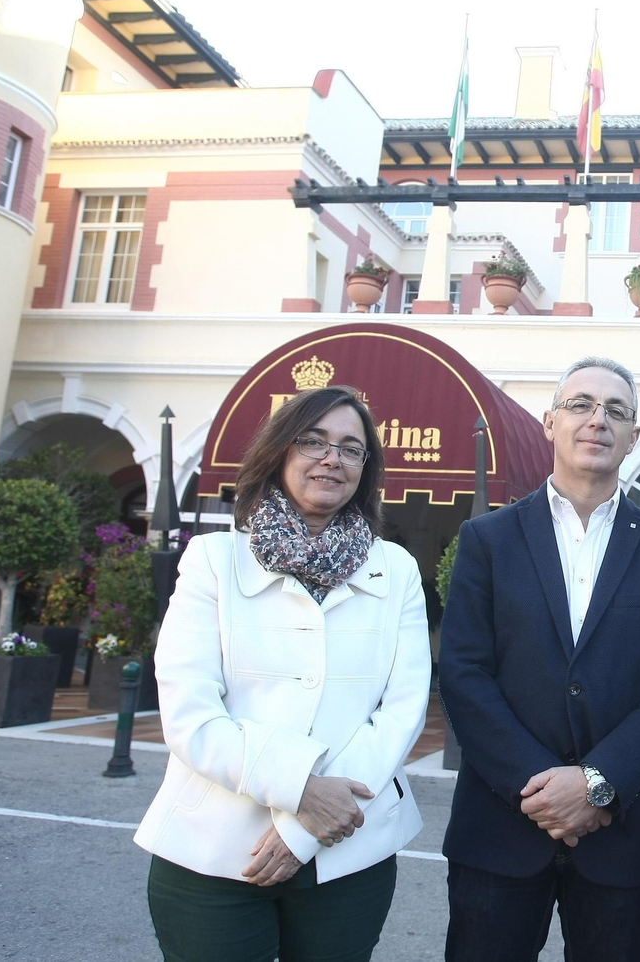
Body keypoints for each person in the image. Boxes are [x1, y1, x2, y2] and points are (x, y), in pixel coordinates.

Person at [136, 385, 432, 962]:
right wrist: (297, 787)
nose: (332, 458)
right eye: (312, 441)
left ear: (365, 469)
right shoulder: (213, 560)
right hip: (212, 848)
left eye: (351, 448)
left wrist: (306, 826)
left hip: (350, 847)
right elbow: (190, 712)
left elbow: (401, 711)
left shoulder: (395, 569)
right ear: (278, 453)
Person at [439, 356, 640, 962]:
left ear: (634, 436)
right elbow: (463, 673)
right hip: (500, 832)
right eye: (581, 405)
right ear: (549, 423)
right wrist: (537, 787)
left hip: (624, 842)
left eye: (616, 411)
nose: (598, 420)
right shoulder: (487, 540)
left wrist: (596, 784)